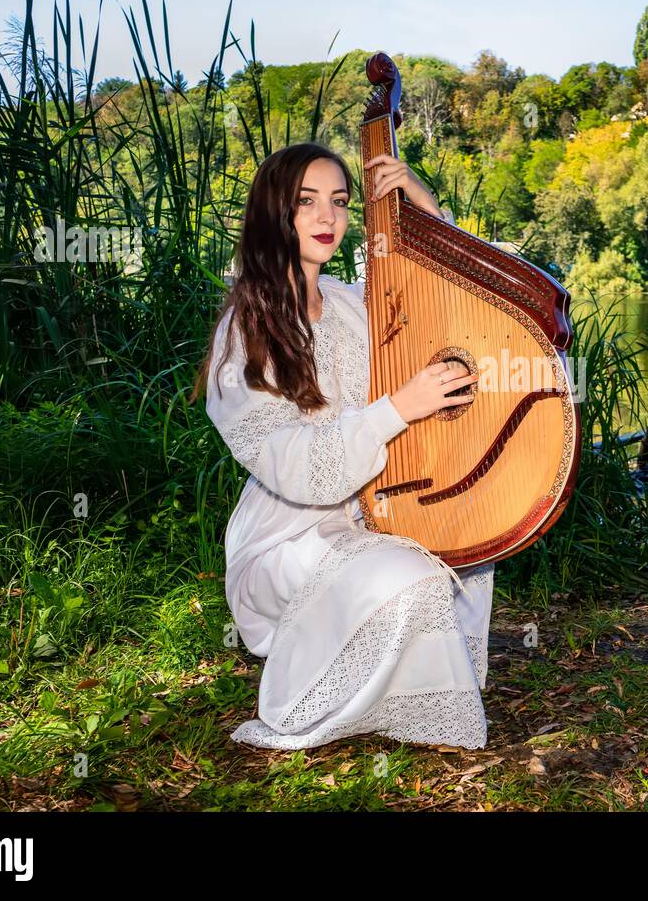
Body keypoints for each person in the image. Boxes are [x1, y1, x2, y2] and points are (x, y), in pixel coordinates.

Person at [191, 141, 495, 751]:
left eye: (339, 201)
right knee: (410, 574)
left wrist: (419, 201)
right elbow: (297, 469)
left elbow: (444, 299)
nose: (328, 218)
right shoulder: (244, 332)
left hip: (379, 507)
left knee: (470, 546)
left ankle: (402, 690)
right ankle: (328, 692)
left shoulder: (355, 303)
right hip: (288, 537)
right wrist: (397, 409)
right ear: (273, 213)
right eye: (307, 202)